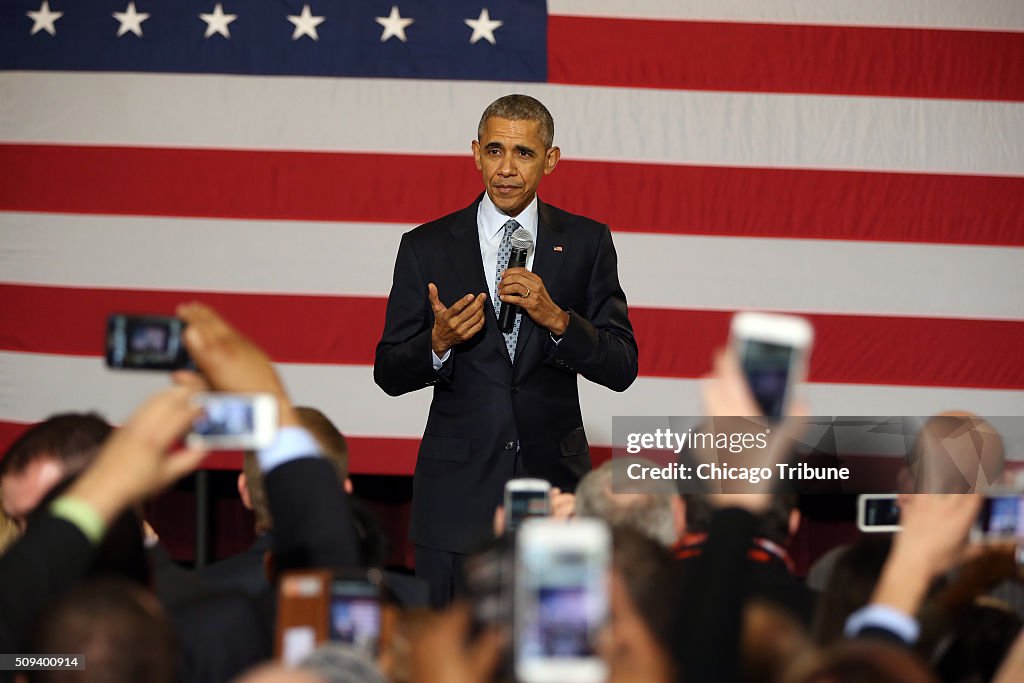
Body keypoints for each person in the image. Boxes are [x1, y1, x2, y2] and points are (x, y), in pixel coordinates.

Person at [374, 94, 638, 606]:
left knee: (551, 649)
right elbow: (388, 370)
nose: (508, 169)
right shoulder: (425, 246)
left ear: (551, 159)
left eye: (524, 153)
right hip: (456, 500)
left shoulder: (586, 243)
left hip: (554, 490)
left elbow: (622, 365)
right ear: (476, 153)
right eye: (495, 151)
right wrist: (437, 342)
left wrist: (559, 320)